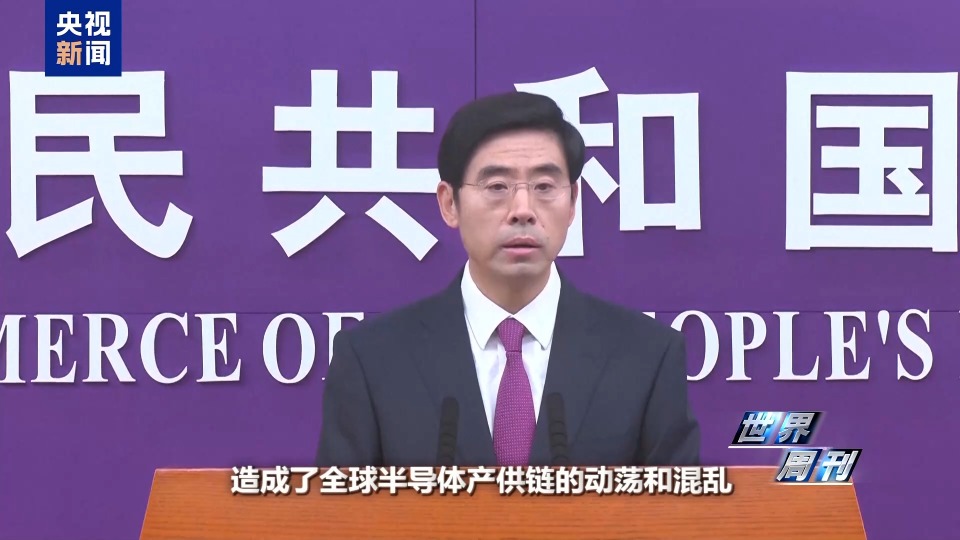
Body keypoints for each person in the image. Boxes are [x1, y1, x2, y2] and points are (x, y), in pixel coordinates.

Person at [317, 91, 700, 467]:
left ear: (572, 202)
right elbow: (337, 507)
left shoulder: (647, 356)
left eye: (544, 187)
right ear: (449, 203)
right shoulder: (373, 360)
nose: (523, 210)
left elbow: (678, 506)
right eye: (497, 187)